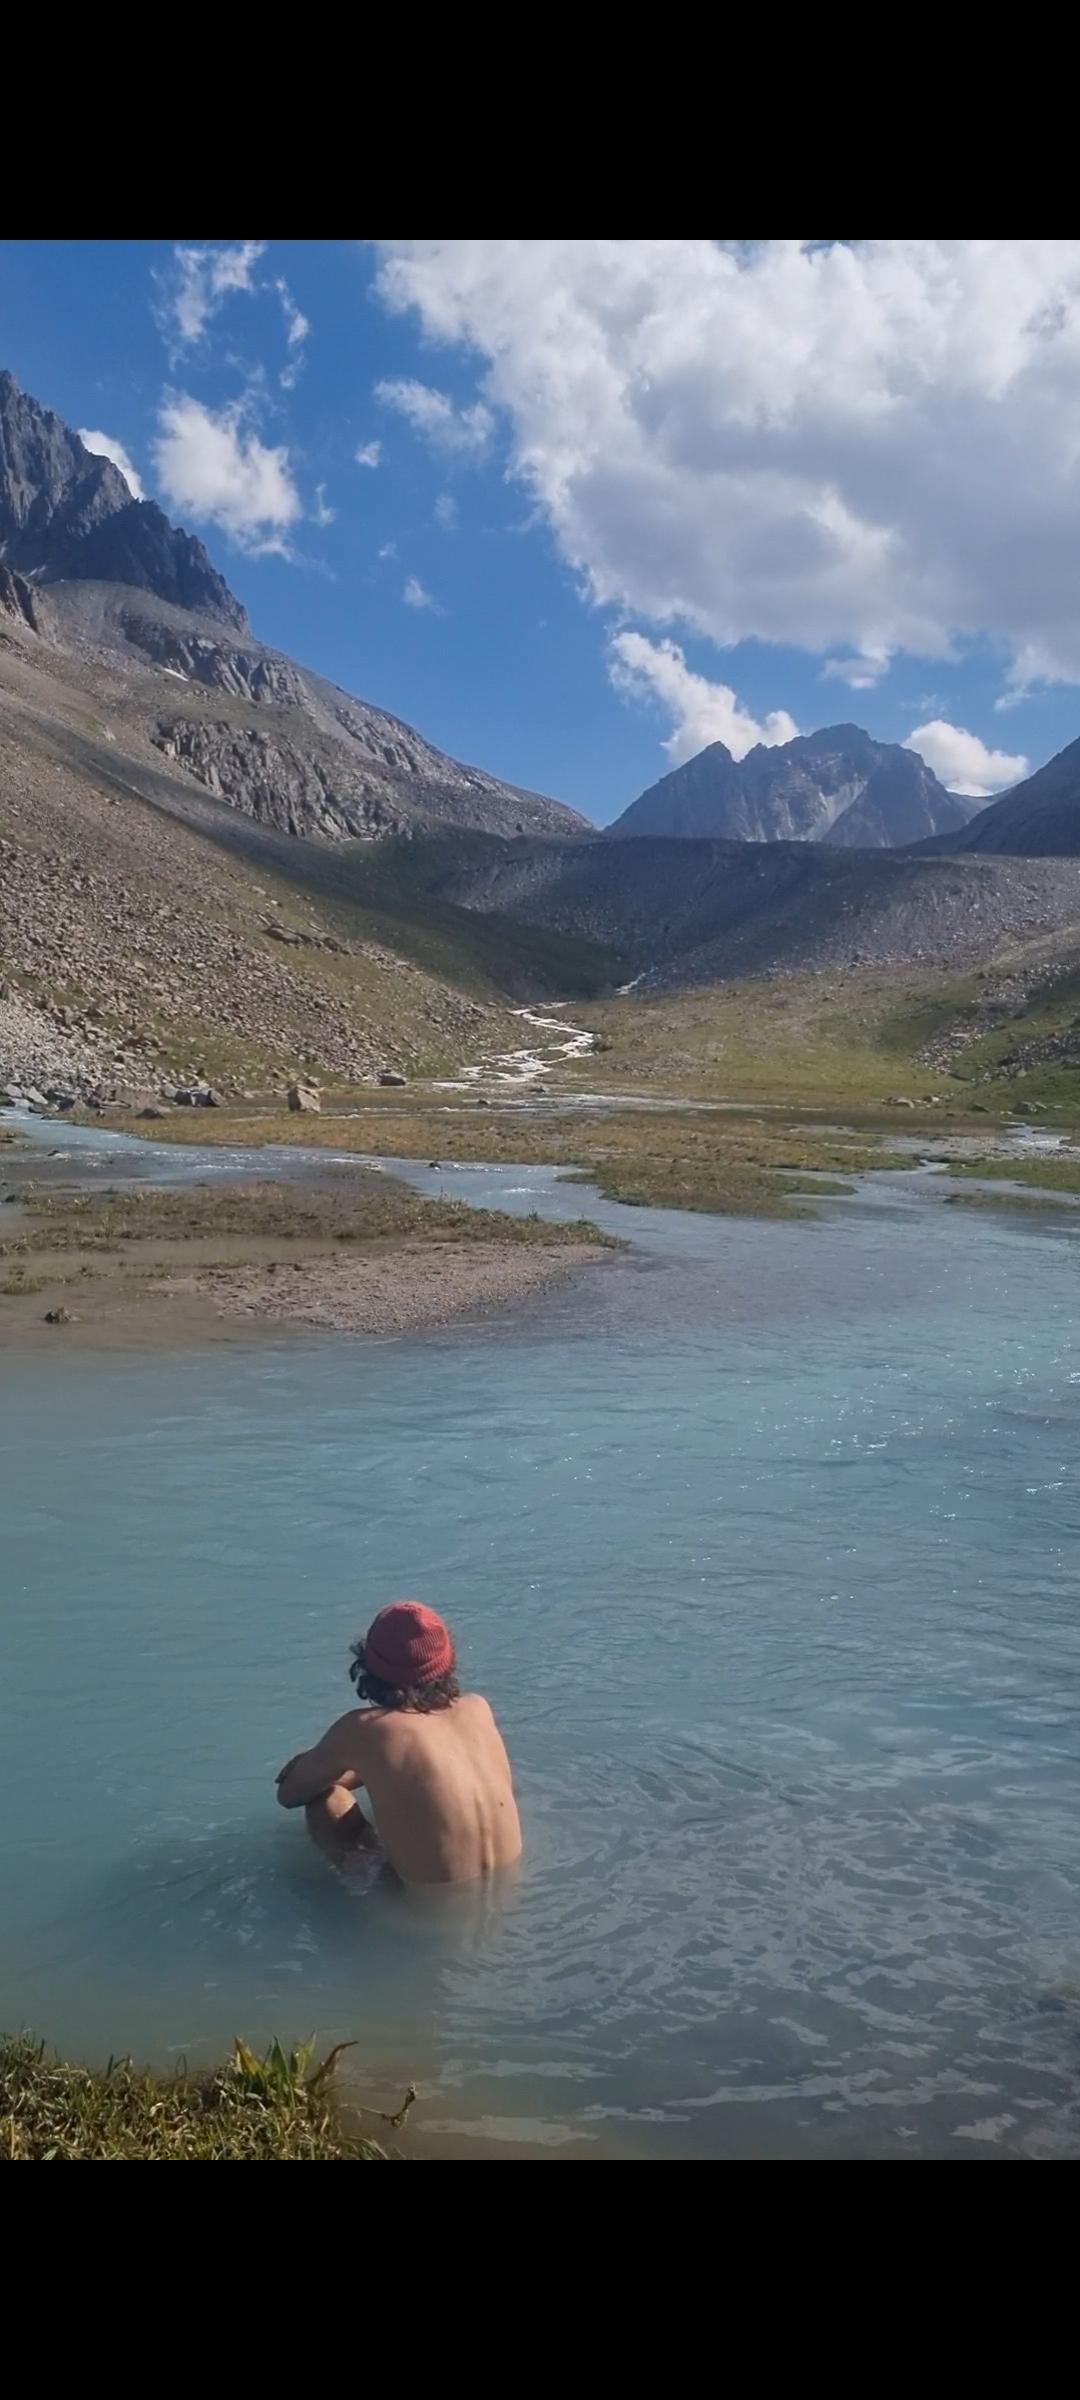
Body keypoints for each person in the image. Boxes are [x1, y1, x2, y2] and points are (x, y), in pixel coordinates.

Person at [275, 1601, 522, 1888]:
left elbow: (290, 1794)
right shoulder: (478, 1708)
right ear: (448, 1660)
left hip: (419, 1909)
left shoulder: (366, 1730)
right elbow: (416, 1765)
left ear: (367, 1665)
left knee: (325, 1800)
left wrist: (310, 1762)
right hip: (507, 1887)